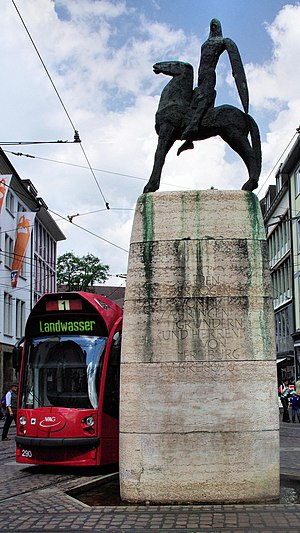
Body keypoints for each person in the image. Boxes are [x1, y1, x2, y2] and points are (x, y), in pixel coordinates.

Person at [179, 18, 249, 150]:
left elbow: (235, 62)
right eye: (212, 25)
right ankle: (189, 139)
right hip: (201, 76)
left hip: (209, 75)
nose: (213, 26)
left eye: (215, 25)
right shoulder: (207, 42)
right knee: (194, 102)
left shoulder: (222, 41)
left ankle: (193, 127)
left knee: (204, 99)